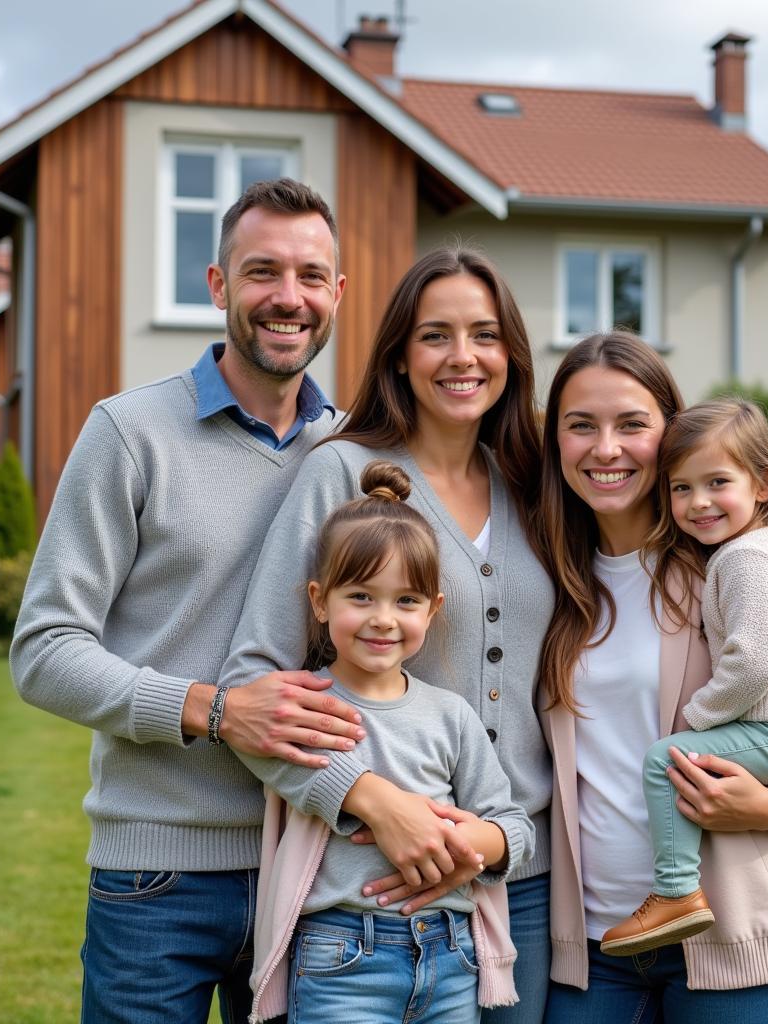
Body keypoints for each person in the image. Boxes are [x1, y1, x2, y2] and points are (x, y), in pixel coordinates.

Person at [9, 179, 368, 1024]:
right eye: (262, 272)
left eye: (311, 276)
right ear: (217, 285)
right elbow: (43, 649)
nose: (289, 298)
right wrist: (211, 711)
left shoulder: (353, 451)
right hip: (154, 877)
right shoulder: (128, 434)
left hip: (313, 869)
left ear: (338, 294)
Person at [222, 245, 556, 1024]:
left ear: (511, 352)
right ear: (401, 355)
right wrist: (372, 803)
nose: (462, 356)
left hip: (519, 877)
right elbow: (254, 684)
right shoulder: (343, 474)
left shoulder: (536, 483)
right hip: (368, 888)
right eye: (436, 334)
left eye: (485, 334)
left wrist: (493, 842)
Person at [538, 333, 768, 1024]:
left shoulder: (725, 566)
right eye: (580, 425)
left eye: (632, 424)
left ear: (671, 433)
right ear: (555, 441)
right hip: (596, 943)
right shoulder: (546, 580)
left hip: (732, 934)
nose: (606, 448)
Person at [247, 460, 534, 1023]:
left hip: (452, 957)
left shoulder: (450, 715)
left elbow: (514, 826)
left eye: (406, 601)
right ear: (319, 600)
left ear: (433, 610)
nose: (383, 619)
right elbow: (264, 754)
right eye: (360, 596)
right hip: (342, 956)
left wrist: (473, 843)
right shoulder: (303, 708)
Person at [598, 397, 768, 1023]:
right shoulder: (756, 550)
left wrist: (696, 719)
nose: (699, 502)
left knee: (668, 759)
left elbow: (753, 665)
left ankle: (677, 892)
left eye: (718, 483)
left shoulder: (743, 558)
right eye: (682, 488)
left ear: (764, 484)